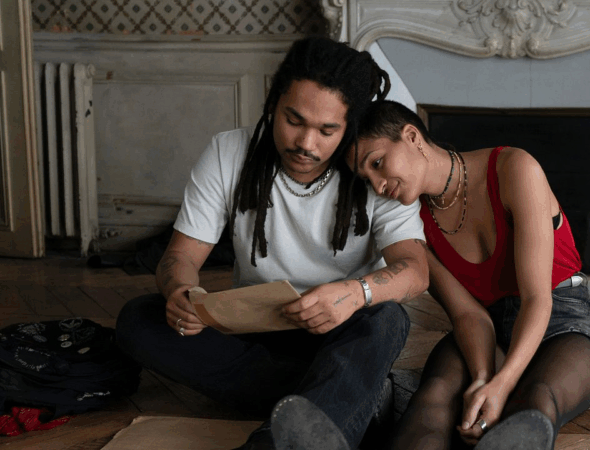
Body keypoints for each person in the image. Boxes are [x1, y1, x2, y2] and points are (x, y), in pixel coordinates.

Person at [114, 38, 429, 450]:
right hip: (254, 330)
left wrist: (355, 293)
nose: (306, 143)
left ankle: (280, 439)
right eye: (293, 120)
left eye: (327, 130)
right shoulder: (228, 152)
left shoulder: (373, 169)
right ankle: (348, 397)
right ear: (273, 101)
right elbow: (180, 256)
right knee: (140, 319)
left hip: (339, 329)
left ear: (349, 126)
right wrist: (181, 293)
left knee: (386, 320)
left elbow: (415, 269)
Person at [347, 100, 590, 450]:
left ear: (411, 136)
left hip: (561, 322)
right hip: (483, 329)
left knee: (534, 402)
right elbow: (467, 314)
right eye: (368, 178)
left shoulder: (515, 168)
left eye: (378, 163)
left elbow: (537, 299)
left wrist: (502, 385)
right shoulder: (410, 225)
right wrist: (484, 378)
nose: (379, 185)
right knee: (435, 397)